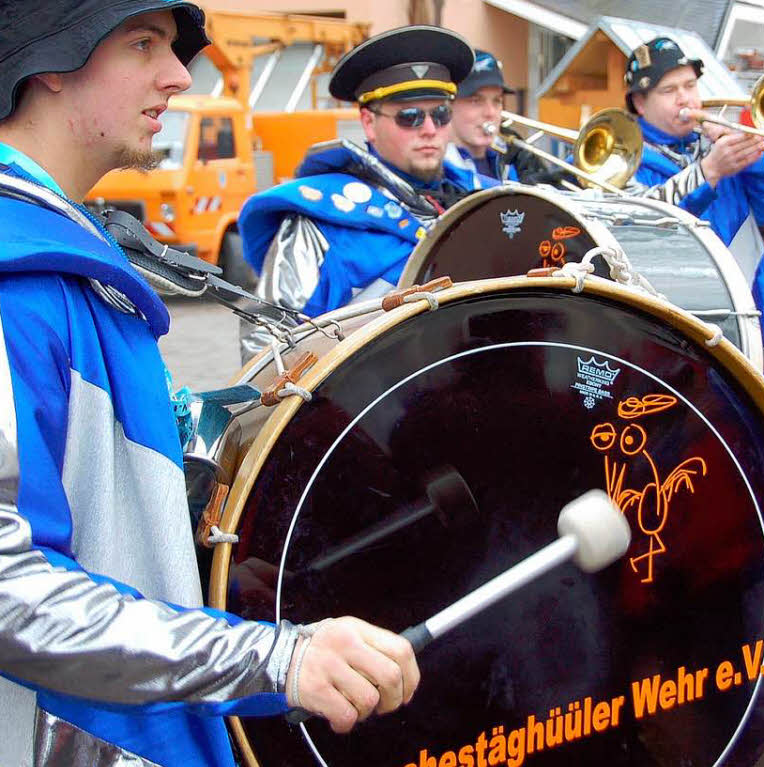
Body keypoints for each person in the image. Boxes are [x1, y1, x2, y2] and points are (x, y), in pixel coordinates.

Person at [0, 3, 419, 764]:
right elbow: (6, 592)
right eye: (143, 44)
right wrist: (271, 658)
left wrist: (200, 574)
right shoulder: (13, 280)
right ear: (49, 62)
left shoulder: (70, 250)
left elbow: (101, 505)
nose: (177, 75)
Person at [237, 26, 488, 361]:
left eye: (440, 114)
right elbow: (265, 347)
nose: (429, 130)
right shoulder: (319, 221)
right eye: (409, 116)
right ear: (369, 123)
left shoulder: (486, 201)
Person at [624, 37, 764, 378]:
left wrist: (751, 156)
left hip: (747, 323)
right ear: (640, 103)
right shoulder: (623, 155)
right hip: (673, 331)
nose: (685, 98)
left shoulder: (717, 143)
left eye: (690, 85)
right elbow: (638, 224)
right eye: (669, 90)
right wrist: (708, 172)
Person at [446, 48, 556, 184]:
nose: (490, 113)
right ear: (449, 104)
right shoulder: (438, 165)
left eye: (497, 100)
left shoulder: (514, 151)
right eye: (476, 101)